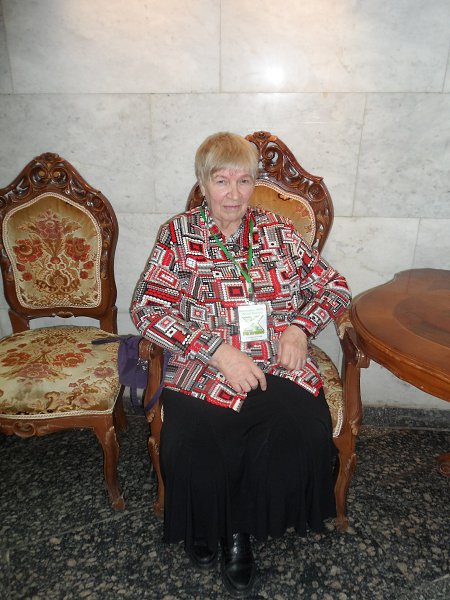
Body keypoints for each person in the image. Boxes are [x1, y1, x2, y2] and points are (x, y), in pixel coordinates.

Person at [130, 132, 351, 598]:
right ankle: (210, 524)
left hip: (276, 361)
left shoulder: (278, 232)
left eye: (244, 181)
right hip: (202, 366)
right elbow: (147, 309)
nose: (233, 193)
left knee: (296, 428)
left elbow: (333, 287)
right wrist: (216, 350)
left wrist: (300, 329)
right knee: (200, 439)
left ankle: (240, 530)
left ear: (255, 184)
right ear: (203, 184)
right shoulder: (178, 234)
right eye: (221, 180)